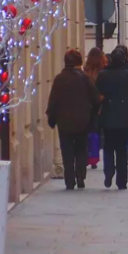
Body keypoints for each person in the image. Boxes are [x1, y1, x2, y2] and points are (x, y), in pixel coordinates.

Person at [46, 49, 100, 190]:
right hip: (83, 120)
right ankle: (80, 175)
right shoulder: (84, 77)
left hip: (64, 121)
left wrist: (52, 117)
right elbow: (95, 99)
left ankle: (69, 179)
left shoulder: (59, 79)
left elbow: (53, 101)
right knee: (81, 148)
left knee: (67, 150)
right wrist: (92, 113)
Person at [95, 47, 128, 190]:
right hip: (125, 118)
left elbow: (95, 95)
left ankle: (109, 173)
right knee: (122, 150)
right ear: (123, 60)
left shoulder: (103, 75)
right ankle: (122, 181)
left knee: (108, 147)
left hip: (108, 116)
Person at [83, 47, 106, 170]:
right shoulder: (103, 70)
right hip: (99, 103)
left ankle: (86, 155)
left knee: (86, 131)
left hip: (87, 104)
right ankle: (93, 158)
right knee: (95, 132)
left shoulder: (85, 70)